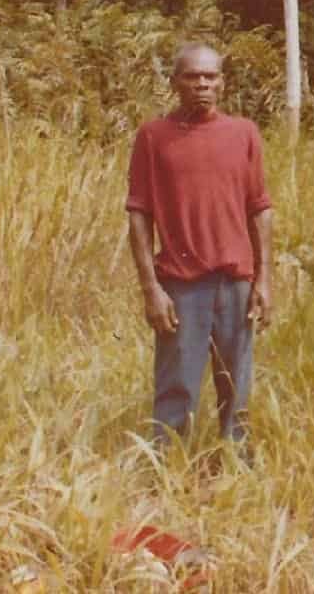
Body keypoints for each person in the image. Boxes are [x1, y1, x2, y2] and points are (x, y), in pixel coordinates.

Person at [125, 43, 273, 450]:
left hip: (236, 280)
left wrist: (264, 279)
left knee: (236, 387)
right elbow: (139, 214)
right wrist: (150, 288)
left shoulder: (243, 133)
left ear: (222, 83)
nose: (202, 84)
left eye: (211, 76)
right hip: (180, 283)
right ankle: (166, 470)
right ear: (175, 83)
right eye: (192, 76)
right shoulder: (153, 136)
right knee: (176, 387)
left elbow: (259, 209)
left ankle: (236, 469)